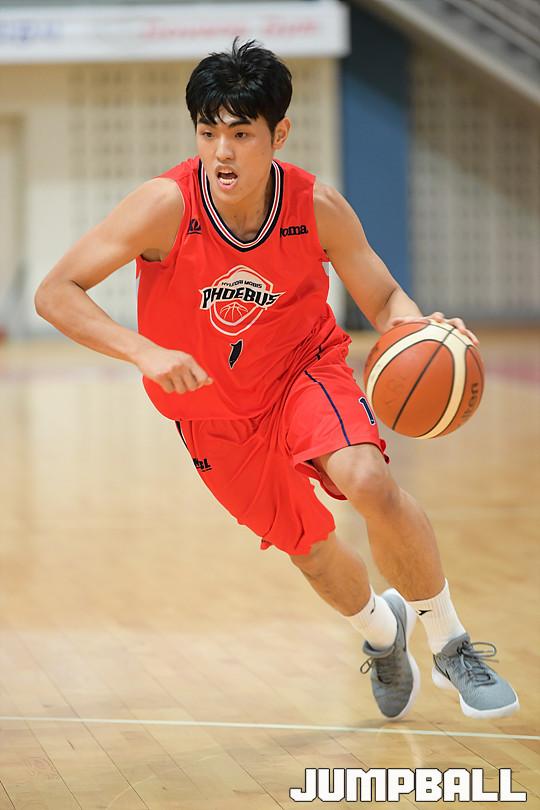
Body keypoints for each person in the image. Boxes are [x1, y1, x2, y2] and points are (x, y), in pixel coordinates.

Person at [35, 40, 518, 721]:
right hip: (212, 415)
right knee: (313, 552)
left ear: (278, 134)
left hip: (302, 372)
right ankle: (383, 633)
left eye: (240, 134)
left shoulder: (315, 204)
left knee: (369, 481)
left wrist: (418, 330)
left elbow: (384, 298)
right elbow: (56, 292)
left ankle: (451, 645)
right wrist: (142, 351)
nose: (222, 153)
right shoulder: (163, 206)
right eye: (208, 133)